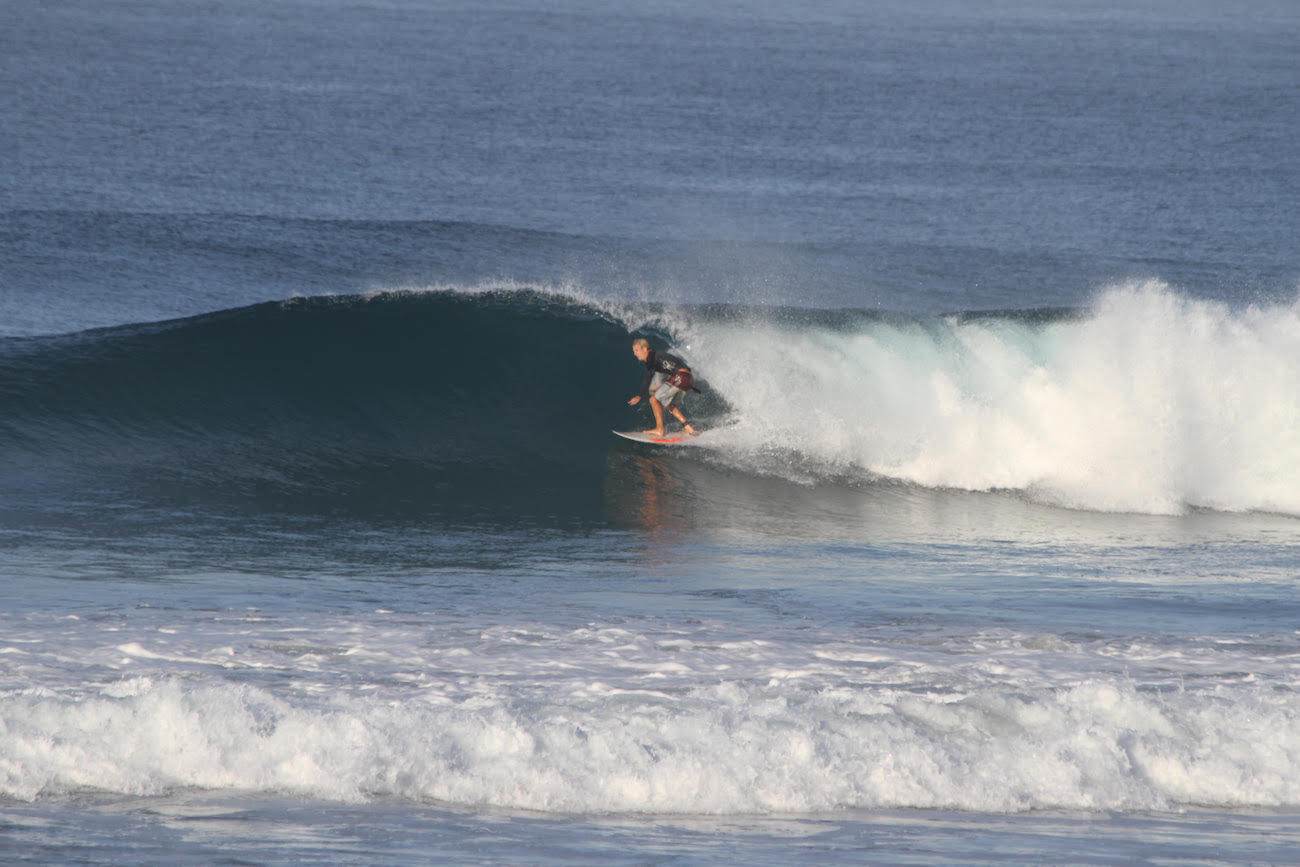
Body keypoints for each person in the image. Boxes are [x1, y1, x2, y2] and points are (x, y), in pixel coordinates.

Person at [628, 338, 697, 436]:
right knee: (667, 403)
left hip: (680, 377)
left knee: (653, 400)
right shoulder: (659, 357)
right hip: (687, 378)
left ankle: (659, 429)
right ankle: (687, 427)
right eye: (634, 351)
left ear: (645, 349)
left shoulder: (652, 357)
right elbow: (670, 369)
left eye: (637, 350)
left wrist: (640, 395)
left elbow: (648, 376)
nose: (635, 353)